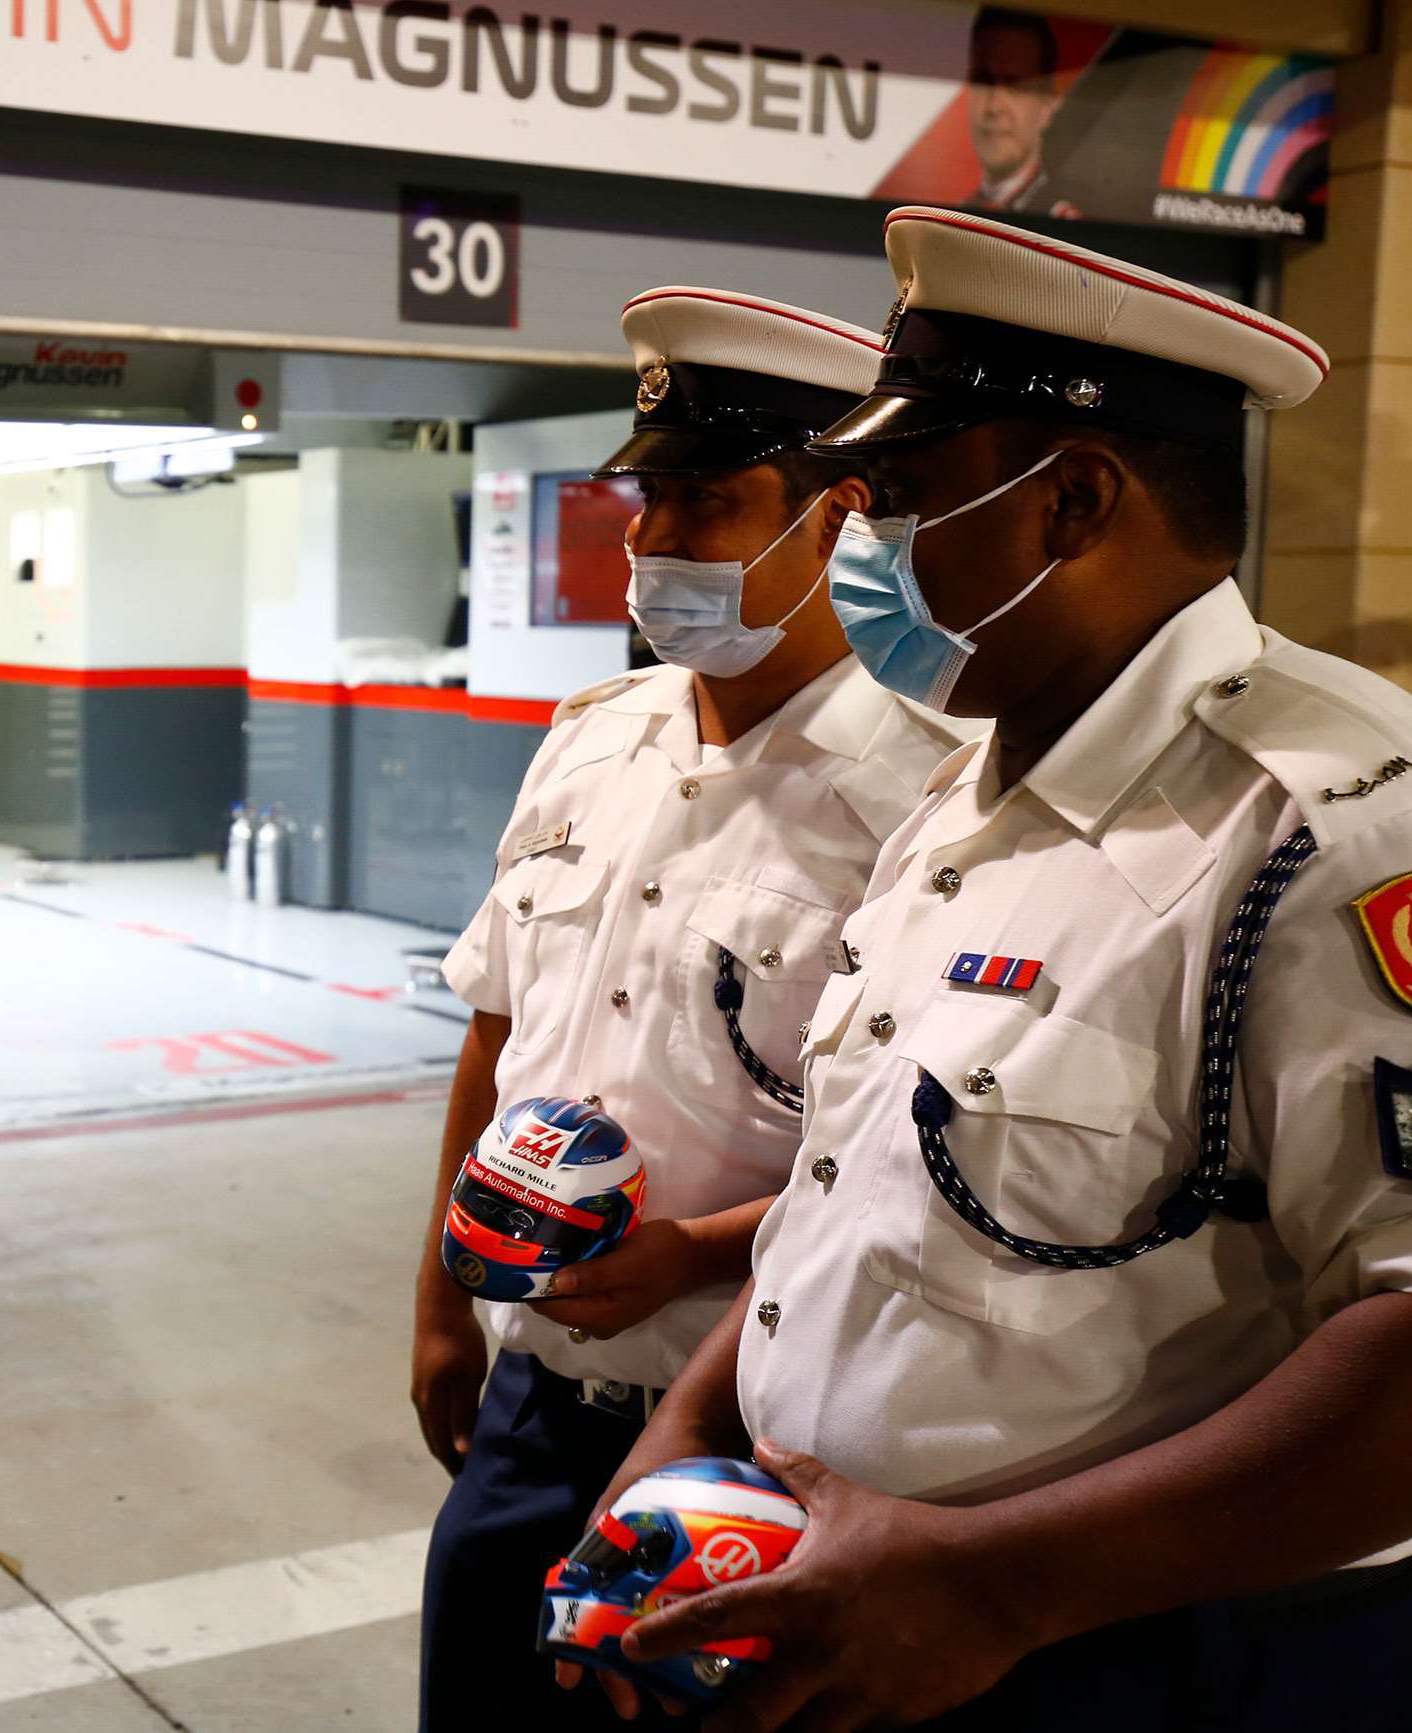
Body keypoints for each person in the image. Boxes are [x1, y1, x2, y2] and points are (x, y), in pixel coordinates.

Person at [588, 208, 1412, 1732]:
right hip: (869, 1617)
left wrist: (994, 1587)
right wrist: (691, 1435)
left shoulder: (1327, 828)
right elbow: (852, 1199)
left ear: (1075, 500)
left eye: (895, 497)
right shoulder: (969, 796)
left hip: (1134, 1659)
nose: (859, 542)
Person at [413, 287, 970, 1731]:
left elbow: (915, 1154)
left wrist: (687, 1259)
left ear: (838, 515)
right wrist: (437, 1305)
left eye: (707, 503)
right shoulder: (596, 745)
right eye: (644, 502)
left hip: (754, 1432)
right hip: (532, 1404)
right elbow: (496, 1027)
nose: (652, 544)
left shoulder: (927, 797)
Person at [965, 7, 1081, 219]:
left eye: (1015, 85)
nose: (994, 107)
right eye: (983, 79)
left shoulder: (1063, 222)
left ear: (1047, 106)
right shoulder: (958, 212)